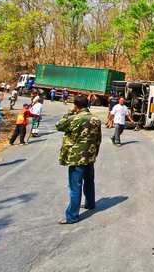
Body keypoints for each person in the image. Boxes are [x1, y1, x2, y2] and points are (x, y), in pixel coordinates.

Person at [56, 94, 102, 224]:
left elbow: (59, 125)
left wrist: (71, 111)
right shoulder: (95, 119)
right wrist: (95, 153)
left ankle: (72, 215)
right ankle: (90, 203)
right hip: (90, 154)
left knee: (75, 186)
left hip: (76, 157)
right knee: (89, 181)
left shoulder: (73, 119)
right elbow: (98, 138)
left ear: (75, 106)